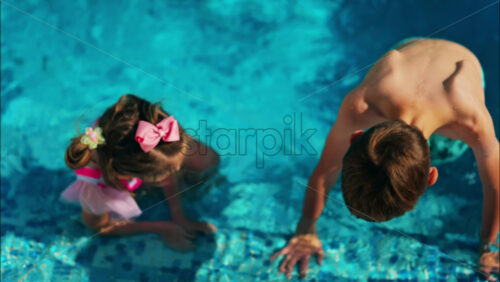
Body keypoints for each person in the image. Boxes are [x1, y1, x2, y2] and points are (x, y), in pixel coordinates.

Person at [271, 38, 499, 278]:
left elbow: (495, 184)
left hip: (461, 63)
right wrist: (306, 229)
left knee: (451, 152)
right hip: (410, 50)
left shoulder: (471, 121)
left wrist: (488, 246)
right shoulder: (361, 103)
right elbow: (326, 171)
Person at [61, 94, 219, 251]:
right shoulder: (95, 190)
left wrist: (179, 216)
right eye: (164, 173)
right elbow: (99, 227)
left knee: (207, 160)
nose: (176, 171)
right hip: (116, 175)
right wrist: (162, 227)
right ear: (131, 175)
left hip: (130, 154)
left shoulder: (124, 129)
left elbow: (158, 158)